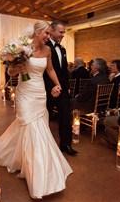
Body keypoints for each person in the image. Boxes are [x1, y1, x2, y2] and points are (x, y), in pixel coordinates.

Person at [0, 21, 73, 199]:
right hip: (25, 92)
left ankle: (29, 162)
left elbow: (49, 69)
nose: (48, 37)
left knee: (37, 126)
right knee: (30, 126)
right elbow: (10, 72)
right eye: (46, 33)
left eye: (49, 34)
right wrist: (15, 68)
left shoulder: (47, 51)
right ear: (37, 32)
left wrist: (58, 85)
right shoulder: (22, 48)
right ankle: (36, 171)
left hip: (40, 93)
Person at [43, 20, 77, 156]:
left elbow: (64, 72)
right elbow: (46, 71)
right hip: (47, 89)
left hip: (62, 89)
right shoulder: (43, 47)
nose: (63, 35)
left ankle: (66, 144)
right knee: (46, 117)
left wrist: (66, 87)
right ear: (51, 30)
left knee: (65, 116)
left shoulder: (62, 49)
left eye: (64, 32)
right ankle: (44, 146)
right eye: (61, 32)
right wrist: (52, 88)